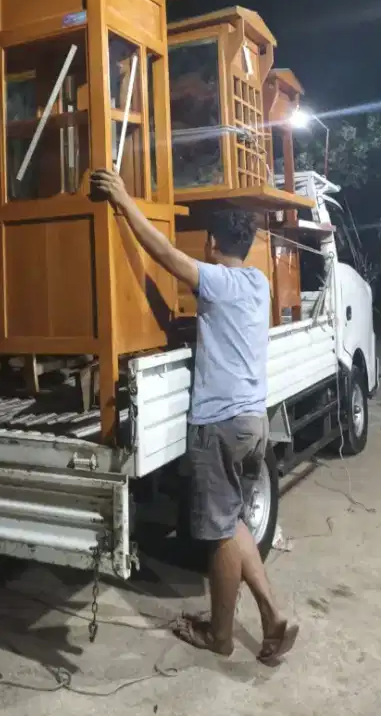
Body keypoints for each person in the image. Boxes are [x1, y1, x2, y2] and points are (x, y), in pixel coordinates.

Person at [90, 169, 298, 664]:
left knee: (221, 534)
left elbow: (162, 252)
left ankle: (224, 634)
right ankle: (268, 617)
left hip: (221, 425)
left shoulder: (219, 280)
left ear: (210, 243)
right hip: (254, 421)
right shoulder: (256, 280)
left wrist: (122, 199)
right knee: (233, 523)